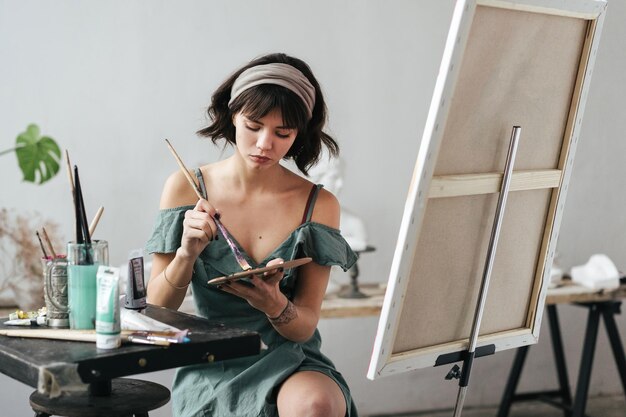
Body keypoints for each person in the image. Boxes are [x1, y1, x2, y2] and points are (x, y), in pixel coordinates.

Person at [146, 52, 359, 417]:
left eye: (282, 133)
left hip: (289, 356)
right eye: (253, 125)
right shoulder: (185, 187)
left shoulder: (318, 204)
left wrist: (274, 304)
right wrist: (186, 254)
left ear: (299, 133)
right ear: (233, 116)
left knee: (317, 403)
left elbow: (305, 325)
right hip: (214, 360)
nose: (264, 144)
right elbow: (158, 308)